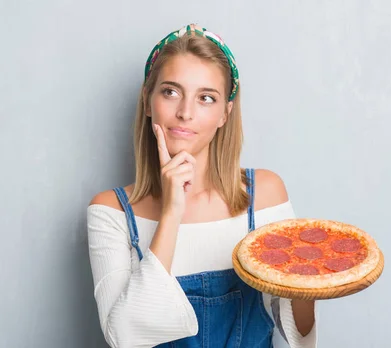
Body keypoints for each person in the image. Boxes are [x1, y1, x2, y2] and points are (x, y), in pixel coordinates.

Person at [87, 24, 317, 348]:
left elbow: (300, 337)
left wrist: (311, 282)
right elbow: (124, 338)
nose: (185, 113)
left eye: (206, 98)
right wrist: (171, 212)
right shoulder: (110, 211)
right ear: (147, 100)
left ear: (225, 113)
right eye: (170, 92)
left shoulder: (264, 195)